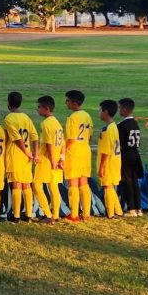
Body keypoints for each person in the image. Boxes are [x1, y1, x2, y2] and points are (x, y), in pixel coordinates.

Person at [4, 92, 38, 223]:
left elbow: (17, 139)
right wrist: (34, 153)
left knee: (16, 185)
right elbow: (35, 136)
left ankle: (16, 216)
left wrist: (26, 152)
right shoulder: (26, 117)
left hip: (16, 156)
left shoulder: (9, 118)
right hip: (27, 158)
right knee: (26, 185)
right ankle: (28, 214)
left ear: (8, 103)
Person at [64, 90, 94, 222]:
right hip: (85, 152)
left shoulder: (72, 118)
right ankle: (86, 214)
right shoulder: (87, 116)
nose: (66, 103)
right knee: (84, 183)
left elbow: (70, 139)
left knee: (73, 184)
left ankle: (74, 214)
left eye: (68, 101)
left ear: (74, 103)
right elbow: (90, 135)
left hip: (74, 153)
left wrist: (63, 151)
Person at [33, 95, 63, 224]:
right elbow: (63, 142)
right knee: (53, 187)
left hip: (47, 160)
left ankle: (47, 213)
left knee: (36, 185)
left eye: (39, 107)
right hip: (56, 159)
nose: (37, 109)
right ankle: (55, 214)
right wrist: (61, 159)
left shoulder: (45, 123)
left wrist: (52, 160)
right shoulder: (57, 123)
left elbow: (49, 143)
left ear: (46, 108)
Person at [97, 99, 123, 219]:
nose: (99, 112)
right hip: (116, 161)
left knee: (107, 186)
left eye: (100, 110)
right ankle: (118, 211)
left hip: (109, 162)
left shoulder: (107, 130)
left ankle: (111, 213)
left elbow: (105, 152)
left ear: (105, 112)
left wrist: (101, 167)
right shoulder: (114, 126)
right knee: (111, 186)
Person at [117, 98, 144, 217]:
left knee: (127, 181)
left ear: (124, 109)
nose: (118, 110)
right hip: (135, 154)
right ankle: (138, 208)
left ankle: (131, 208)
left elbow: (119, 143)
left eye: (119, 108)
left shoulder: (122, 125)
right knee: (134, 181)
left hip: (126, 154)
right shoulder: (135, 123)